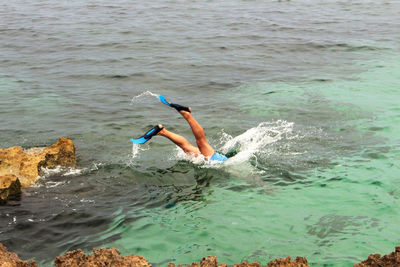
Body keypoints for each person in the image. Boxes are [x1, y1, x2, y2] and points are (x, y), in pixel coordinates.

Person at [131, 100, 227, 162]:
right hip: (217, 160)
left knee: (187, 149)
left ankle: (161, 131)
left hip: (213, 161)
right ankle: (187, 114)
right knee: (201, 142)